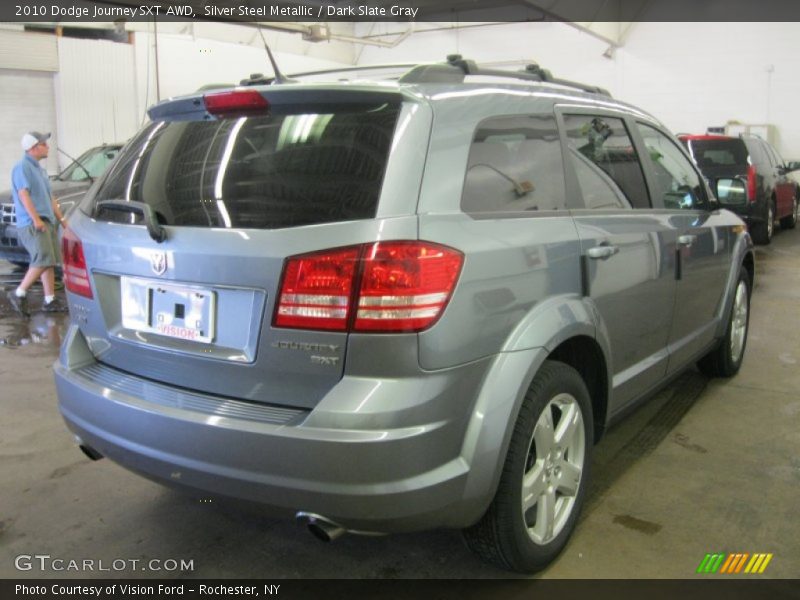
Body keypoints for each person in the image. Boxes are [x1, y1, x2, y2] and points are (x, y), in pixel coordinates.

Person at [7, 131, 68, 316]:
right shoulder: (22, 167)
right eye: (44, 144)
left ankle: (50, 300)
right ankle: (19, 293)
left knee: (48, 262)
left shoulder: (39, 170)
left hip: (45, 221)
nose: (48, 146)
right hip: (33, 224)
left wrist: (63, 221)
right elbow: (23, 195)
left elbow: (50, 197)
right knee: (43, 259)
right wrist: (36, 219)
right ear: (33, 148)